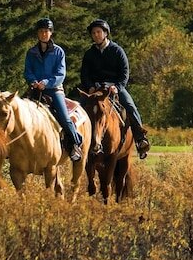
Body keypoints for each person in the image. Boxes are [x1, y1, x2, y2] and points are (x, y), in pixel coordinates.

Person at [79, 19, 150, 158]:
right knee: (79, 108)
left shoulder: (117, 51)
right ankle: (76, 143)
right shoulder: (89, 54)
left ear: (105, 33)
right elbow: (84, 74)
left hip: (114, 88)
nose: (96, 35)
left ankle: (140, 139)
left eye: (99, 32)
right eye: (93, 33)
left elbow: (125, 72)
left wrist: (117, 87)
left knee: (130, 106)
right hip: (96, 89)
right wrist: (90, 86)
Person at [25, 17, 82, 162]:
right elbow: (27, 71)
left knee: (64, 116)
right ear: (37, 33)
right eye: (41, 31)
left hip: (54, 89)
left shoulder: (59, 52)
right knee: (20, 112)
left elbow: (61, 74)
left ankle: (75, 143)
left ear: (51, 33)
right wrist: (33, 81)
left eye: (46, 31)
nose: (44, 34)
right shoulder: (31, 52)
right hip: (35, 89)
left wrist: (46, 82)